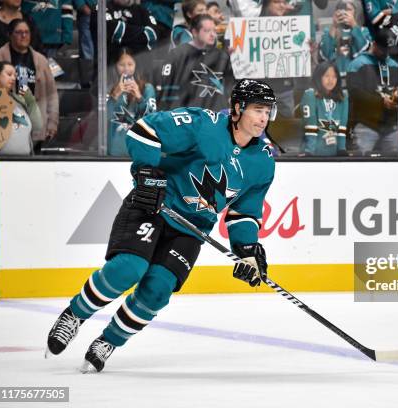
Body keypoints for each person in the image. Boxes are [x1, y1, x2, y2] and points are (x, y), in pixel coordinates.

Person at [45, 79, 277, 373]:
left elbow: (243, 213)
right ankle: (75, 314)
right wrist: (147, 174)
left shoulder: (264, 162)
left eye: (267, 111)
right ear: (237, 108)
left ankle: (109, 341)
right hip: (154, 206)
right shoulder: (202, 124)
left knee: (158, 291)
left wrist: (246, 250)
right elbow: (144, 131)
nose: (263, 118)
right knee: (128, 268)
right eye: (257, 110)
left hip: (191, 229)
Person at [0, 18, 58, 150]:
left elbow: (52, 94)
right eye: (19, 32)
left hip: (36, 119)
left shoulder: (41, 60)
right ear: (9, 35)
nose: (24, 36)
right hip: (4, 123)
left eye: (27, 32)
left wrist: (53, 121)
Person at [158, 13, 233, 111]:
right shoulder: (177, 54)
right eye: (206, 31)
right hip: (188, 115)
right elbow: (166, 89)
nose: (212, 34)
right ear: (194, 32)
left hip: (218, 115)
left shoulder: (222, 56)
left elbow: (230, 86)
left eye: (214, 30)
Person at [346, 28, 398, 155]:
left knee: (396, 163)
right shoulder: (357, 64)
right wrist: (381, 101)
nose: (386, 53)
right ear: (374, 44)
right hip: (366, 124)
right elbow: (355, 95)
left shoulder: (395, 66)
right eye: (382, 49)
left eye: (388, 49)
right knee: (361, 161)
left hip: (391, 126)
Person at [107, 48, 157, 156]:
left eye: (130, 64)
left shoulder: (147, 88)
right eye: (121, 64)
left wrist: (139, 97)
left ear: (136, 66)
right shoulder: (108, 88)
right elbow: (102, 120)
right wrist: (115, 95)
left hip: (139, 151)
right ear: (115, 66)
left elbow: (152, 119)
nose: (126, 69)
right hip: (113, 152)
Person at [0, 60, 42, 155]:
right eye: (9, 74)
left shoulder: (19, 100)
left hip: (24, 162)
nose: (13, 78)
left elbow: (38, 126)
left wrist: (31, 102)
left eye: (15, 76)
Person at [300, 62, 348, 156]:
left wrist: (342, 150)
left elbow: (342, 127)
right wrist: (309, 152)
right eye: (327, 76)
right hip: (314, 153)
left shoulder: (343, 97)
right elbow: (311, 127)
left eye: (334, 76)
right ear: (319, 77)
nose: (331, 80)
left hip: (334, 154)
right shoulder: (310, 95)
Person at [319, 0, 371, 83]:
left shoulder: (364, 31)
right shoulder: (329, 32)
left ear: (356, 12)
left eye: (349, 9)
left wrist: (354, 24)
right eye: (341, 9)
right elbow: (326, 54)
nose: (345, 12)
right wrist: (334, 26)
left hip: (358, 79)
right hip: (335, 80)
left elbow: (363, 51)